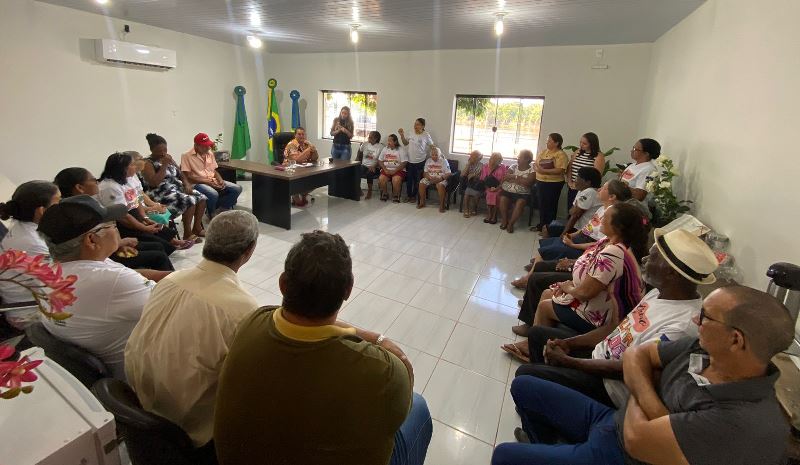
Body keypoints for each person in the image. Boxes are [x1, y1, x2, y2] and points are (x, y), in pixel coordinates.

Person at [492, 285, 794, 465]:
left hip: (621, 454)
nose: (695, 320)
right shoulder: (701, 348)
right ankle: (547, 447)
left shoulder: (741, 419)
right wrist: (656, 406)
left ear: (735, 340)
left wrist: (641, 382)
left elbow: (637, 440)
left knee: (505, 456)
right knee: (525, 386)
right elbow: (636, 356)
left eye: (705, 317)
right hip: (613, 420)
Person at [214, 231, 433, 465]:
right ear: (348, 290)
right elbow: (399, 410)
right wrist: (381, 342)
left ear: (283, 284)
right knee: (418, 407)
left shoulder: (254, 320)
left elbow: (300, 321)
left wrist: (373, 338)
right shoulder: (383, 371)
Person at [514, 229, 719, 408]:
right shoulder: (659, 293)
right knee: (538, 335)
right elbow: (616, 329)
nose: (644, 259)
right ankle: (543, 402)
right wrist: (569, 343)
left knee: (525, 375)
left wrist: (569, 362)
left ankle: (547, 422)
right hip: (600, 356)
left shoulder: (681, 326)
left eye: (654, 257)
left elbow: (633, 369)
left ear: (672, 274)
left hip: (610, 385)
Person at [126, 210, 259, 453]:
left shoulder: (169, 281)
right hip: (192, 431)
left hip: (140, 408)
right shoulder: (242, 309)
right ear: (249, 251)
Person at [37, 195, 169, 379]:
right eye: (112, 225)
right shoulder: (112, 281)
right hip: (145, 376)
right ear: (91, 240)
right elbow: (176, 304)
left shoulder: (53, 271)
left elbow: (130, 274)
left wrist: (173, 276)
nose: (117, 229)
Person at [502, 202, 648, 361]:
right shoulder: (609, 242)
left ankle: (534, 350)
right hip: (594, 301)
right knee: (547, 293)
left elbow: (585, 293)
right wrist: (571, 278)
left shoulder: (614, 253)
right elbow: (590, 267)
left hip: (602, 318)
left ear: (618, 227)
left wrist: (567, 287)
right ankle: (534, 341)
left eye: (606, 217)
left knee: (545, 306)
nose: (601, 219)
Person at [54, 167, 174, 272]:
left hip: (107, 249)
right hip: (101, 256)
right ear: (79, 187)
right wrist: (120, 243)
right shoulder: (78, 213)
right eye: (93, 179)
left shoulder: (83, 205)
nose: (97, 182)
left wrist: (120, 244)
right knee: (158, 256)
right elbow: (90, 244)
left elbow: (131, 206)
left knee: (157, 247)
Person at [98, 152, 189, 254]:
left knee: (156, 226)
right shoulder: (110, 187)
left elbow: (137, 199)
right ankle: (171, 246)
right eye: (132, 165)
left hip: (134, 214)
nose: (135, 166)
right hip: (121, 224)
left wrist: (145, 218)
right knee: (156, 242)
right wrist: (144, 227)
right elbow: (123, 216)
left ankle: (174, 242)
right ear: (123, 169)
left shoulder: (129, 178)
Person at [0, 181, 62, 328]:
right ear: (41, 211)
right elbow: (60, 281)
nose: (62, 207)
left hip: (30, 301)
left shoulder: (22, 227)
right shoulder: (32, 242)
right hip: (29, 313)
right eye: (58, 202)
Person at [141, 133, 207, 241]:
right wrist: (164, 165)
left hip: (176, 188)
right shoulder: (147, 163)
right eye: (159, 151)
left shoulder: (168, 158)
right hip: (159, 192)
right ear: (152, 150)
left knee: (202, 198)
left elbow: (180, 173)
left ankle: (197, 228)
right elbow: (154, 183)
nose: (163, 153)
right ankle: (187, 233)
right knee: (189, 200)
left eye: (165, 150)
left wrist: (186, 184)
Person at [181, 132, 242, 217]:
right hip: (197, 183)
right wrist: (208, 182)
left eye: (208, 145)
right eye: (204, 146)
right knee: (213, 194)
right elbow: (188, 177)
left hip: (212, 179)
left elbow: (214, 171)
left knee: (237, 188)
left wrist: (220, 180)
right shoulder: (186, 156)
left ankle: (221, 208)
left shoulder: (209, 153)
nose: (208, 148)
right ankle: (211, 213)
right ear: (196, 145)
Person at [540, 167, 602, 238]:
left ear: (588, 182)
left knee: (546, 229)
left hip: (582, 229)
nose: (575, 180)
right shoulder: (583, 190)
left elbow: (575, 216)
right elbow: (571, 211)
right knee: (550, 226)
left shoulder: (589, 192)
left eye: (578, 178)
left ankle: (551, 244)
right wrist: (575, 209)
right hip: (578, 225)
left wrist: (564, 233)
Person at [532, 133, 569, 231]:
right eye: (547, 141)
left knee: (551, 205)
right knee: (542, 204)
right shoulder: (544, 152)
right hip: (540, 181)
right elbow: (536, 163)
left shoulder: (561, 154)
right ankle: (541, 225)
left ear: (556, 143)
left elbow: (560, 170)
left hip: (553, 184)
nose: (547, 143)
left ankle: (549, 228)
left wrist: (543, 171)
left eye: (549, 141)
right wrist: (538, 169)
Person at [499, 150, 535, 233]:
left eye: (519, 157)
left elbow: (528, 183)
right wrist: (521, 180)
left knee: (520, 203)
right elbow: (505, 177)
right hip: (508, 190)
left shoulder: (532, 170)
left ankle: (511, 224)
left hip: (523, 193)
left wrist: (514, 177)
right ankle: (505, 220)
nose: (517, 159)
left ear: (527, 159)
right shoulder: (514, 166)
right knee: (503, 199)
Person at [620, 138, 660, 213]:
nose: (631, 151)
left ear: (646, 153)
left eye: (635, 149)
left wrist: (621, 186)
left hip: (634, 209)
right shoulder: (632, 165)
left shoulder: (649, 170)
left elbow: (639, 196)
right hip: (621, 204)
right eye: (633, 148)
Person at [399, 118, 434, 204]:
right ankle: (409, 196)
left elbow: (432, 146)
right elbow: (405, 143)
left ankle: (414, 196)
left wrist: (438, 154)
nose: (415, 126)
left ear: (423, 126)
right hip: (410, 161)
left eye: (418, 124)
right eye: (415, 124)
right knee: (409, 180)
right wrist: (402, 135)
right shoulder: (411, 133)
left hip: (420, 161)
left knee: (417, 180)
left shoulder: (426, 135)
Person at [566, 132, 605, 208]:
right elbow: (570, 167)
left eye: (584, 143)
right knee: (571, 209)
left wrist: (583, 187)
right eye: (580, 142)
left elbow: (596, 176)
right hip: (573, 187)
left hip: (586, 190)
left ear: (592, 144)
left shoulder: (598, 156)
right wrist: (570, 182)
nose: (581, 145)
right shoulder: (577, 152)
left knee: (580, 210)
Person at [283, 126, 320, 207]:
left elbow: (315, 158)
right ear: (295, 135)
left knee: (316, 180)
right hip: (290, 169)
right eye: (299, 134)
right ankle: (295, 194)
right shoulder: (291, 145)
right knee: (302, 179)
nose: (301, 136)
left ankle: (303, 194)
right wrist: (308, 150)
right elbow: (297, 160)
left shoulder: (307, 144)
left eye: (303, 134)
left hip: (302, 168)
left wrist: (314, 150)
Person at [417, 146, 452, 212]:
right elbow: (425, 172)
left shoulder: (444, 161)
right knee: (421, 183)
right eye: (433, 155)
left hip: (441, 178)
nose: (434, 156)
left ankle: (442, 205)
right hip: (430, 178)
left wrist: (440, 178)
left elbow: (448, 173)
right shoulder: (428, 160)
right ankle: (422, 202)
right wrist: (429, 178)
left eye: (436, 155)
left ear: (439, 155)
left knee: (440, 185)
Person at [378, 134, 409, 203]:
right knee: (381, 179)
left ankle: (396, 195)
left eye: (390, 141)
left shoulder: (401, 149)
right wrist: (385, 169)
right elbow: (380, 160)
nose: (388, 142)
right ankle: (385, 193)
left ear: (395, 142)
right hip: (387, 169)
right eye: (388, 141)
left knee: (396, 179)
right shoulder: (385, 149)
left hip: (398, 170)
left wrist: (395, 171)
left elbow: (404, 162)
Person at [481, 152, 507, 224]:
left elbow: (504, 180)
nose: (499, 162)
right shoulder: (485, 166)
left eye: (500, 160)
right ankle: (489, 214)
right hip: (488, 187)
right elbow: (483, 179)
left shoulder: (503, 167)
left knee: (497, 195)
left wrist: (497, 188)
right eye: (498, 160)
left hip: (499, 187)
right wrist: (488, 188)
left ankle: (494, 215)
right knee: (489, 194)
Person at [357, 130, 383, 199]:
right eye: (369, 137)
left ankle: (369, 191)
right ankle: (358, 189)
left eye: (371, 137)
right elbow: (359, 152)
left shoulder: (380, 147)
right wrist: (357, 162)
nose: (369, 138)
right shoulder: (365, 144)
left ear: (376, 139)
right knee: (356, 171)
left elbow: (381, 159)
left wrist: (374, 166)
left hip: (374, 167)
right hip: (364, 165)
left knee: (369, 173)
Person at [460, 150, 485, 218]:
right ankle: (466, 209)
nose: (471, 157)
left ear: (478, 158)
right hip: (469, 183)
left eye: (473, 156)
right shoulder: (469, 164)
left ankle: (474, 208)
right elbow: (462, 175)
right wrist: (468, 164)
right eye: (471, 156)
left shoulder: (482, 166)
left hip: (478, 184)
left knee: (476, 194)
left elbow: (482, 177)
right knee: (467, 194)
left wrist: (474, 175)